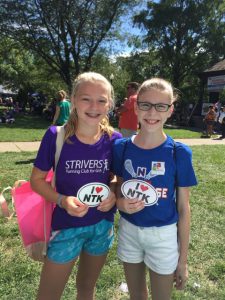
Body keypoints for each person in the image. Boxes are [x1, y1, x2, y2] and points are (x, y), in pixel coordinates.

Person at [30, 72, 122, 300]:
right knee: (48, 295)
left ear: (109, 103)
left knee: (86, 289)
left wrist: (112, 192)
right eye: (86, 98)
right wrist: (62, 200)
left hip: (101, 226)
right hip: (66, 227)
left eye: (101, 100)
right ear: (73, 100)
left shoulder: (114, 139)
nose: (94, 106)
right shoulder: (56, 136)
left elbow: (116, 179)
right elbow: (36, 180)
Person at [112, 78, 197, 300]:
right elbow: (117, 187)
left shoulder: (179, 152)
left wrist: (183, 261)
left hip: (163, 236)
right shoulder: (122, 147)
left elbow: (184, 209)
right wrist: (120, 202)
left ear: (170, 110)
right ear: (136, 106)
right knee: (136, 295)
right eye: (146, 104)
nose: (152, 112)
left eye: (161, 106)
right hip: (129, 230)